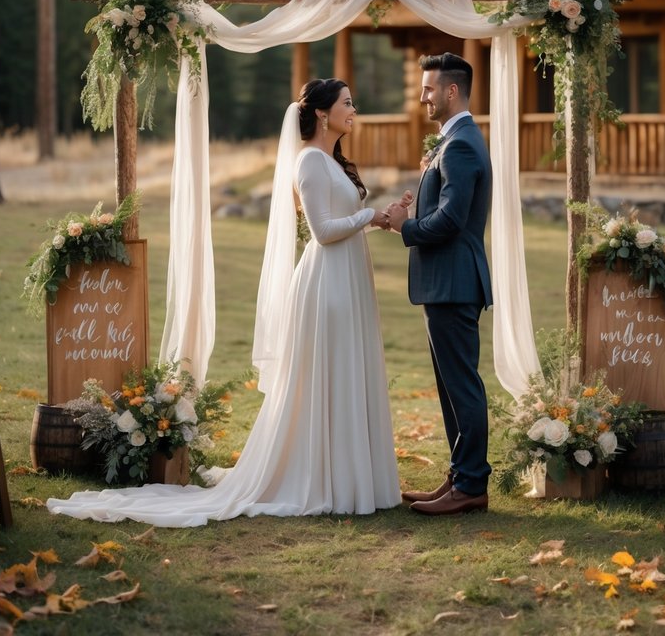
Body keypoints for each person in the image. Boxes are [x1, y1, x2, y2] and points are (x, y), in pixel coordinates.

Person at [47, 79, 403, 525]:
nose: (354, 109)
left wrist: (383, 219)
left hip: (348, 277)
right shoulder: (310, 162)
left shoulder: (330, 161)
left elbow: (344, 225)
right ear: (321, 114)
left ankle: (352, 478)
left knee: (348, 371)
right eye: (347, 103)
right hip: (328, 285)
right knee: (329, 375)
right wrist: (371, 214)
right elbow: (324, 232)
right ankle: (325, 479)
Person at [385, 52, 493, 515]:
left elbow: (451, 218)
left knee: (462, 386)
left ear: (451, 91)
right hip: (444, 283)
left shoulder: (462, 144)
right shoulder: (452, 141)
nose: (422, 97)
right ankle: (458, 477)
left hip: (454, 281)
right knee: (451, 386)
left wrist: (404, 228)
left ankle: (471, 485)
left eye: (428, 89)